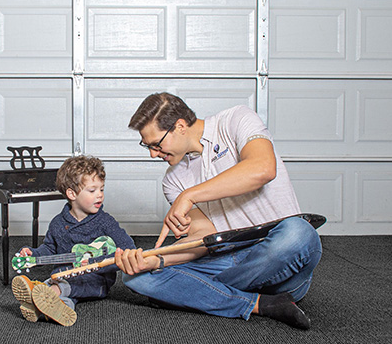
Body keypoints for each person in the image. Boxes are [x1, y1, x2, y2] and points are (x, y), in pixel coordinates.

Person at [114, 93, 322, 329]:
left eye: (156, 144)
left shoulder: (237, 119)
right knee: (135, 276)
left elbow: (263, 168)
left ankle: (195, 292)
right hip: (228, 258)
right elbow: (204, 238)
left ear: (180, 126)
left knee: (299, 233)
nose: (152, 153)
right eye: (147, 146)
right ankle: (257, 304)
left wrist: (190, 195)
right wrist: (156, 260)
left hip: (278, 258)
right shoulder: (172, 180)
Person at [11, 155, 135, 327]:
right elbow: (50, 248)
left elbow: (129, 249)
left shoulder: (106, 222)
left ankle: (39, 296)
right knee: (60, 283)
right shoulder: (58, 223)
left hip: (96, 281)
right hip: (64, 275)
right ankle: (55, 309)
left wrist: (95, 262)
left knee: (59, 284)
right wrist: (34, 254)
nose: (100, 195)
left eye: (101, 189)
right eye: (92, 191)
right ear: (71, 193)